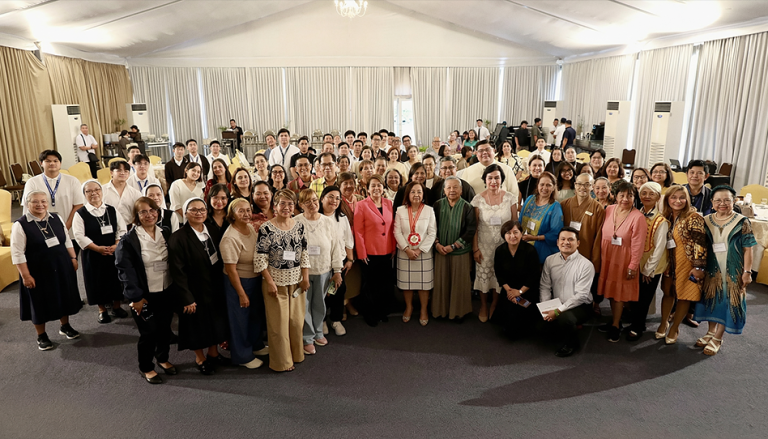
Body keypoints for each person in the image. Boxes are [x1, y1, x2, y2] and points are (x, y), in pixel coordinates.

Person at [12, 191, 82, 351]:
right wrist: (26, 275)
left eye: (43, 201)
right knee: (39, 302)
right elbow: (17, 253)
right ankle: (41, 336)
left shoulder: (56, 218)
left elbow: (66, 240)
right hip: (37, 271)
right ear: (27, 204)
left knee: (64, 295)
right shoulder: (21, 224)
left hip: (61, 265)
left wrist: (73, 258)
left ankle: (65, 326)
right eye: (35, 202)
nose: (40, 204)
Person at [116, 197, 176, 383]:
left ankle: (163, 358)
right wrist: (135, 297)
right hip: (143, 295)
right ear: (136, 216)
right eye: (143, 212)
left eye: (152, 210)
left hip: (166, 289)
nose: (149, 215)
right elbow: (125, 271)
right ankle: (146, 367)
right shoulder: (129, 240)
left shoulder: (165, 232)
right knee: (149, 332)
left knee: (165, 328)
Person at [168, 198, 230, 375]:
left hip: (213, 286)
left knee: (215, 322)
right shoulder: (178, 237)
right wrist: (187, 298)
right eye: (194, 210)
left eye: (202, 209)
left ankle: (213, 353)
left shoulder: (211, 229)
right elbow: (177, 272)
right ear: (185, 213)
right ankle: (200, 358)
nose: (199, 213)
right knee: (197, 326)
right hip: (193, 290)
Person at [693, 186, 755, 355]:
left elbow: (748, 248)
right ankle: (710, 332)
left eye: (727, 200)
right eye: (718, 200)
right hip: (712, 268)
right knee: (712, 299)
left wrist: (747, 272)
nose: (722, 204)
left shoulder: (742, 221)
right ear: (712, 203)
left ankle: (718, 337)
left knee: (728, 302)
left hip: (734, 269)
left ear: (734, 201)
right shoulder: (705, 220)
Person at [254, 189, 311, 372]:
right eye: (283, 203)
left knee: (295, 322)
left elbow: (304, 253)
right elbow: (260, 258)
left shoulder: (299, 226)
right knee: (278, 325)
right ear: (275, 206)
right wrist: (269, 281)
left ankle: (296, 354)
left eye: (290, 203)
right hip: (275, 282)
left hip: (296, 282)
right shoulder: (266, 228)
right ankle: (282, 362)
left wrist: (306, 277)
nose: (287, 207)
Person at [656, 185, 707, 344]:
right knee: (668, 292)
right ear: (667, 199)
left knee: (685, 296)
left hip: (688, 263)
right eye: (673, 197)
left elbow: (701, 243)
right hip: (670, 263)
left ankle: (675, 327)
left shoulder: (693, 217)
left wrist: (698, 267)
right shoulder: (666, 215)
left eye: (681, 198)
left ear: (687, 199)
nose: (677, 201)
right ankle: (664, 322)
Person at [597, 181, 647, 342]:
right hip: (607, 256)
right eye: (622, 195)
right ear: (615, 195)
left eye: (630, 195)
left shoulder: (638, 217)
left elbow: (638, 245)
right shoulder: (609, 209)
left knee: (618, 294)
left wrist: (633, 265)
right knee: (610, 291)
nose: (625, 199)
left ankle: (616, 325)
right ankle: (614, 320)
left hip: (623, 260)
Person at [220, 198, 267, 369]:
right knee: (240, 319)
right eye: (241, 211)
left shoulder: (249, 228)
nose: (246, 214)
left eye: (248, 210)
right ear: (232, 214)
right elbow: (231, 270)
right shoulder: (230, 237)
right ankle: (242, 355)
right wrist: (241, 293)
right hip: (238, 282)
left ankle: (256, 346)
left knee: (254, 315)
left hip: (254, 279)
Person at [295, 189, 344, 354]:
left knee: (320, 304)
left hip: (324, 270)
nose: (313, 204)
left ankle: (318, 332)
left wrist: (337, 271)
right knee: (304, 305)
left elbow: (337, 248)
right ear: (301, 205)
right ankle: (307, 338)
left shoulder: (328, 222)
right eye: (307, 201)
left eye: (315, 200)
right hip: (303, 273)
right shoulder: (295, 222)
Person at [73, 180, 128, 323]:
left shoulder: (112, 210)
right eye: (89, 191)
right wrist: (97, 248)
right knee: (96, 281)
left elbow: (122, 229)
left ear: (101, 191)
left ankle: (116, 306)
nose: (94, 193)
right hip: (93, 253)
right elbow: (79, 235)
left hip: (113, 251)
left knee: (115, 279)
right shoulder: (80, 213)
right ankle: (102, 310)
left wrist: (117, 244)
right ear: (84, 194)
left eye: (97, 189)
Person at [472, 164, 519, 322]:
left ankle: (495, 304)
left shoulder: (511, 198)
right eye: (490, 178)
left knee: (500, 276)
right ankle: (484, 305)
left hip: (504, 246)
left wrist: (514, 247)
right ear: (485, 180)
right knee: (484, 276)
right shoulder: (478, 199)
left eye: (497, 177)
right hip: (484, 245)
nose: (493, 181)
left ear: (502, 179)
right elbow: (475, 226)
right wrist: (475, 249)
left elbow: (515, 224)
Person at [539, 227, 596, 357]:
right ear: (557, 242)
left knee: (565, 319)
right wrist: (545, 307)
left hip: (581, 306)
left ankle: (572, 345)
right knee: (540, 326)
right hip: (557, 302)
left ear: (578, 243)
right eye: (563, 239)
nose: (566, 242)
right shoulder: (550, 260)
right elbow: (544, 286)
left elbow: (581, 296)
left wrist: (557, 311)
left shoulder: (586, 265)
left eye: (571, 239)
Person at [626, 181, 669, 341]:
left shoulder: (661, 221)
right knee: (634, 296)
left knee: (644, 298)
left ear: (658, 197)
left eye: (651, 194)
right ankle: (637, 322)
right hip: (636, 263)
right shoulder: (636, 214)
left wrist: (647, 269)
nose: (647, 197)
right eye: (644, 193)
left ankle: (637, 327)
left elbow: (659, 249)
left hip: (650, 267)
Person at [21, 150, 84, 253]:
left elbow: (78, 205)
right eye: (48, 161)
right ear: (41, 163)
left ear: (60, 163)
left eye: (55, 161)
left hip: (69, 230)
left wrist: (65, 227)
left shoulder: (72, 181)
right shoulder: (32, 182)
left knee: (70, 262)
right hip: (42, 231)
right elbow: (28, 208)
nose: (52, 163)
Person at [432, 177, 476, 321]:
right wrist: (437, 244)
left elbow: (470, 230)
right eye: (449, 187)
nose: (452, 190)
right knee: (441, 281)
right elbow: (432, 228)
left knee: (459, 282)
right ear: (444, 190)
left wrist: (453, 246)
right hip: (440, 250)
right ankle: (441, 311)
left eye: (455, 187)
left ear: (461, 190)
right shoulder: (437, 205)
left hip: (460, 251)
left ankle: (458, 313)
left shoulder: (467, 207)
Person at [353, 175, 396, 327]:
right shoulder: (361, 205)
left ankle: (381, 311)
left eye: (379, 185)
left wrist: (393, 247)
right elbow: (358, 231)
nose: (376, 188)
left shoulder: (389, 203)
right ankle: (369, 313)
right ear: (367, 188)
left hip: (387, 250)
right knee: (370, 284)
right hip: (369, 251)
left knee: (384, 283)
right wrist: (361, 252)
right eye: (373, 185)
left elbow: (392, 228)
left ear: (383, 187)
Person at [394, 182, 437, 326]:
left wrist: (419, 250)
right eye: (413, 192)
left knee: (423, 284)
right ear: (408, 194)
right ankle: (409, 307)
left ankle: (424, 309)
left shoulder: (429, 210)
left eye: (419, 192)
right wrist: (407, 249)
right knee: (407, 283)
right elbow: (396, 232)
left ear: (423, 194)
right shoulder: (400, 210)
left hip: (423, 253)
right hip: (405, 252)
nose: (416, 195)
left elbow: (432, 233)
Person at [560, 174, 605, 308]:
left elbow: (598, 238)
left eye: (587, 184)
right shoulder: (564, 204)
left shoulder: (597, 208)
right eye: (579, 184)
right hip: (566, 251)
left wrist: (595, 260)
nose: (582, 188)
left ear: (592, 187)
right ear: (574, 185)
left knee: (583, 285)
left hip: (586, 252)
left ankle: (583, 309)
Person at [493, 220, 541, 336]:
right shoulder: (500, 250)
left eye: (516, 232)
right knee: (506, 324)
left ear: (521, 233)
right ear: (504, 235)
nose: (512, 236)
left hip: (526, 291)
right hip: (509, 290)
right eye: (508, 233)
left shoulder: (530, 251)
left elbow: (534, 276)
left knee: (521, 323)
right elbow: (499, 274)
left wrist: (519, 292)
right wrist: (510, 292)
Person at [319, 186, 354, 337]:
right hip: (320, 264)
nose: (334, 201)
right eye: (330, 197)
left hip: (339, 263)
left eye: (337, 198)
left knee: (338, 291)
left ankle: (335, 319)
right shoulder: (315, 217)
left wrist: (350, 259)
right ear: (322, 199)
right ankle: (322, 320)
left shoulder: (342, 218)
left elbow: (348, 240)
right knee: (321, 293)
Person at [520, 171, 564, 264]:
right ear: (537, 186)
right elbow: (520, 220)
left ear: (553, 188)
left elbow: (556, 233)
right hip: (523, 247)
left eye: (548, 185)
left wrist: (535, 238)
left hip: (542, 251)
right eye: (542, 184)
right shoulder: (529, 199)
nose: (544, 188)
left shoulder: (555, 206)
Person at [102, 160, 143, 225]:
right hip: (107, 227)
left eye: (126, 171)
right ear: (111, 173)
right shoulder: (101, 191)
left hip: (129, 228)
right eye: (119, 170)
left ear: (129, 174)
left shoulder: (136, 193)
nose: (122, 173)